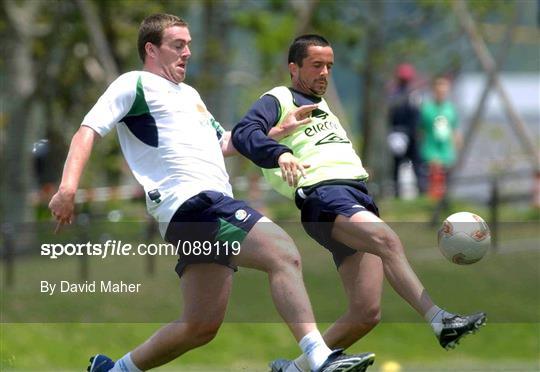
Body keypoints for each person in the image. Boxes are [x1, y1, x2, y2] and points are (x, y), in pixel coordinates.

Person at [48, 15, 375, 372]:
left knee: (200, 326)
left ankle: (114, 370)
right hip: (195, 203)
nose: (187, 52)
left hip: (194, 215)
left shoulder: (190, 95)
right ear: (151, 49)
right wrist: (67, 188)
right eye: (178, 45)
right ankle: (318, 358)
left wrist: (279, 129)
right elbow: (87, 131)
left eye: (188, 44)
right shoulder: (134, 83)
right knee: (282, 253)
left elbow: (223, 142)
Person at [231, 34, 486, 372]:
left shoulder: (323, 107)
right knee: (387, 240)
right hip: (324, 197)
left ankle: (293, 370)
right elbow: (244, 133)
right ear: (294, 68)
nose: (324, 73)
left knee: (366, 314)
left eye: (330, 66)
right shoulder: (280, 98)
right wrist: (279, 154)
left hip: (356, 196)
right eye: (316, 65)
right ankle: (440, 320)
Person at [419, 75, 462, 200]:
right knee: (432, 183)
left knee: (446, 185)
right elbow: (420, 131)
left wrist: (456, 148)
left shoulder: (451, 109)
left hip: (447, 152)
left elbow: (455, 130)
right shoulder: (426, 109)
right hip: (431, 151)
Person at [387, 63, 425, 197]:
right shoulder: (395, 94)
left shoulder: (410, 94)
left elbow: (417, 115)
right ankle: (399, 192)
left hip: (408, 134)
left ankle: (421, 190)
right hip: (400, 133)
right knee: (401, 164)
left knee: (415, 164)